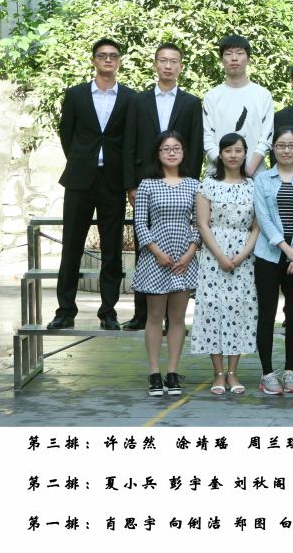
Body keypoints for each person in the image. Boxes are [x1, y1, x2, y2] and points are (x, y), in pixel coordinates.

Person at [47, 38, 134, 331]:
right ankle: (65, 311)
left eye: (113, 55)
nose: (108, 59)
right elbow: (67, 135)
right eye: (102, 55)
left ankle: (108, 311)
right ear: (94, 60)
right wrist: (82, 160)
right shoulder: (75, 95)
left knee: (112, 249)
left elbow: (129, 140)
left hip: (113, 180)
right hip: (79, 178)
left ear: (119, 61)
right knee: (71, 245)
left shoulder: (129, 97)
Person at [122, 42, 203, 331]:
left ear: (181, 66)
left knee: (178, 244)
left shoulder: (191, 103)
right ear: (155, 64)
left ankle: (173, 317)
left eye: (174, 61)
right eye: (163, 61)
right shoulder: (138, 101)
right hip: (145, 183)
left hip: (180, 182)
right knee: (146, 246)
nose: (168, 66)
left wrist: (190, 185)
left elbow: (195, 145)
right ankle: (142, 313)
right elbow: (128, 143)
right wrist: (130, 185)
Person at [131, 130, 200, 396]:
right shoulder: (147, 185)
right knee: (155, 317)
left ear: (183, 152)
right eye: (166, 149)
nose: (171, 153)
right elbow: (140, 223)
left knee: (178, 318)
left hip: (183, 259)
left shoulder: (194, 185)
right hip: (155, 258)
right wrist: (157, 252)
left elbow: (199, 222)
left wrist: (190, 253)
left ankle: (172, 372)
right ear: (158, 154)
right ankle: (154, 373)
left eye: (176, 148)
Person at [191, 133, 260, 395]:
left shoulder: (253, 186)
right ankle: (218, 373)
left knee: (239, 310)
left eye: (238, 150)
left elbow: (257, 227)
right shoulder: (207, 185)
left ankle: (233, 372)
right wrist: (220, 256)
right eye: (228, 150)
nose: (233, 155)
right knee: (213, 309)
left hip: (244, 256)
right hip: (213, 255)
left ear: (245, 154)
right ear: (220, 154)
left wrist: (241, 255)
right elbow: (202, 224)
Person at [252, 127, 293, 395]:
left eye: (291, 145)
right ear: (273, 149)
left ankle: (290, 370)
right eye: (280, 145)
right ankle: (267, 373)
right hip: (269, 254)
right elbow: (263, 218)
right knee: (267, 313)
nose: (286, 150)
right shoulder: (262, 180)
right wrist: (285, 248)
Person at [202, 34, 273, 177]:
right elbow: (207, 137)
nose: (234, 58)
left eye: (240, 53)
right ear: (221, 60)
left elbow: (267, 137)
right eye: (228, 54)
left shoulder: (262, 95)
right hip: (218, 175)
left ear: (249, 59)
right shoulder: (212, 96)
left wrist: (249, 170)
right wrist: (226, 170)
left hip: (255, 175)